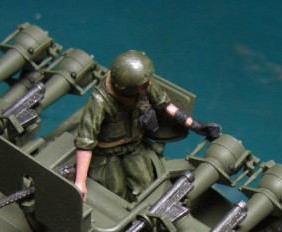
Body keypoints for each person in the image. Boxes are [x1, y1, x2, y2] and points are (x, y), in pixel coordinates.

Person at [73, 50, 220, 202]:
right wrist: (80, 182)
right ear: (127, 87)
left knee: (146, 187)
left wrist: (195, 125)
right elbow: (85, 142)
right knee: (115, 192)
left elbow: (165, 105)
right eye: (143, 85)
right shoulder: (100, 102)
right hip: (106, 152)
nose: (149, 84)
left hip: (134, 145)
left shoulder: (143, 83)